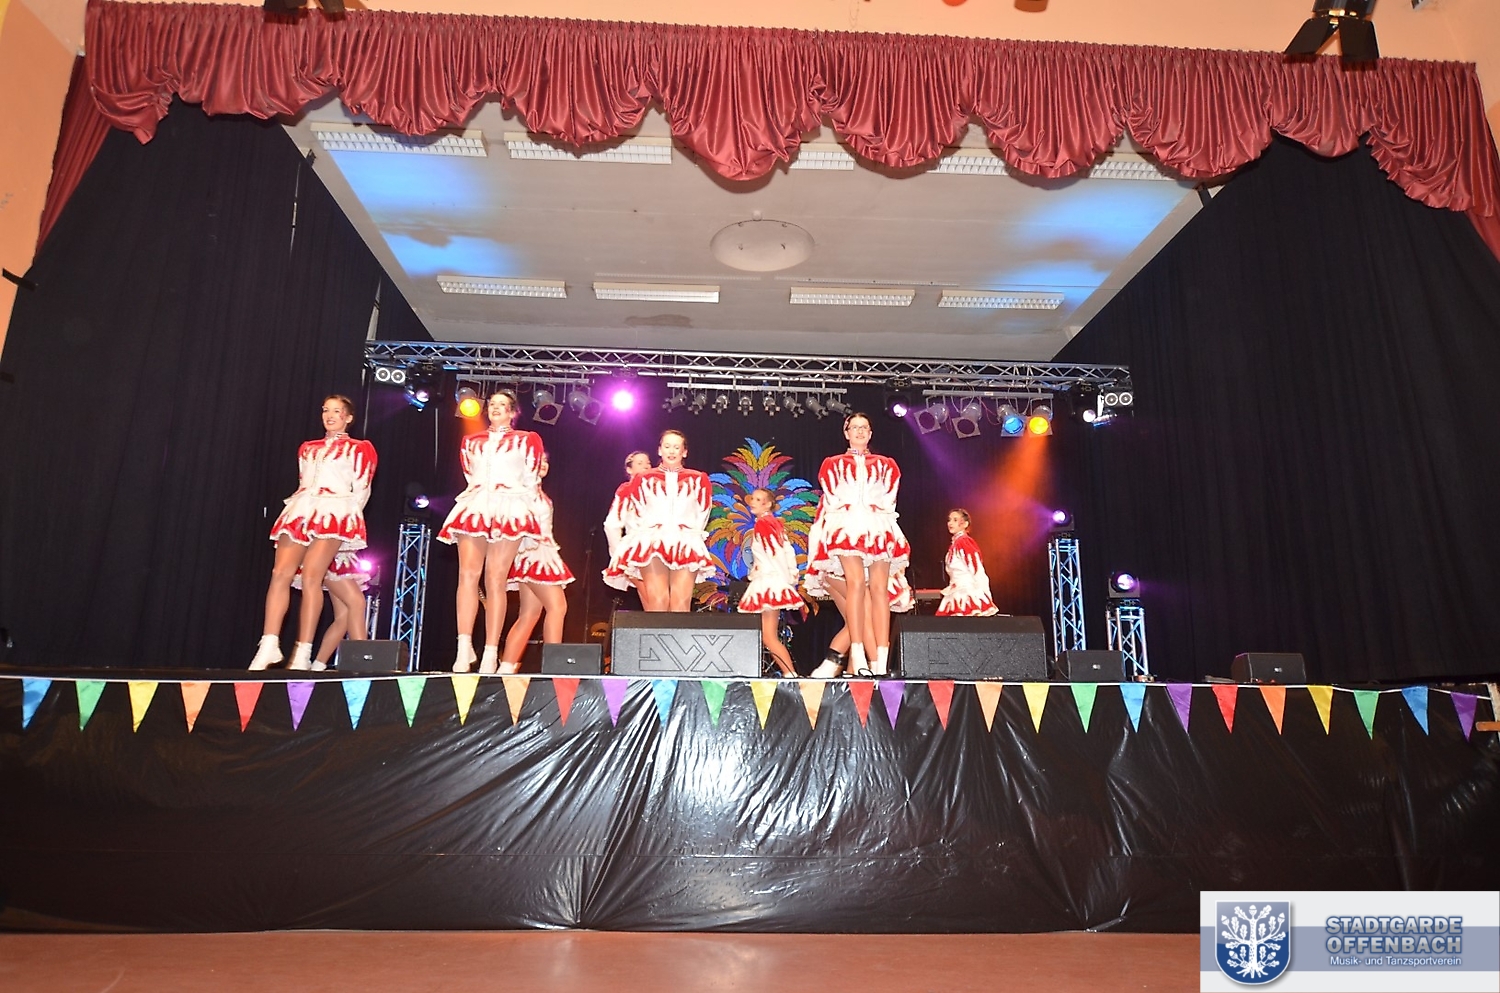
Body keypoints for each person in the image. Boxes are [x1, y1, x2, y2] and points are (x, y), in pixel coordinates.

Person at [249, 395, 377, 670]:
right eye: (326, 410)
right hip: (302, 508)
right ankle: (269, 644)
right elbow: (303, 481)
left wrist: (346, 525)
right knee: (280, 573)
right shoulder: (308, 448)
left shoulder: (360, 449)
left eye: (337, 411)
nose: (329, 415)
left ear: (348, 417)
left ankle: (303, 652)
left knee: (312, 578)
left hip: (335, 511)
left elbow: (362, 490)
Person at [437, 390, 544, 674]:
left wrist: (531, 520)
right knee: (467, 575)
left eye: (502, 405)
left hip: (510, 507)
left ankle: (490, 651)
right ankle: (463, 647)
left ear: (512, 412)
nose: (496, 408)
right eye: (492, 404)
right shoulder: (471, 441)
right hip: (476, 505)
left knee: (495, 579)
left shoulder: (526, 439)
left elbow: (532, 479)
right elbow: (469, 474)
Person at [805, 412, 909, 677]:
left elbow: (890, 498)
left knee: (879, 590)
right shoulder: (833, 464)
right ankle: (859, 653)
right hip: (848, 526)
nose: (860, 431)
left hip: (878, 526)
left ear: (871, 433)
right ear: (846, 432)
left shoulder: (886, 464)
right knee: (856, 585)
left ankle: (881, 661)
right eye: (855, 427)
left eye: (865, 427)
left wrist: (883, 518)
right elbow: (831, 501)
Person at [614, 430, 714, 611]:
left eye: (676, 447)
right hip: (652, 541)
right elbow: (638, 511)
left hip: (685, 542)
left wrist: (690, 534)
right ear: (660, 450)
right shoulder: (643, 479)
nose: (671, 451)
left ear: (684, 452)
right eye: (667, 446)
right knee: (658, 601)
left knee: (680, 604)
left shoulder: (698, 479)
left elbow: (702, 512)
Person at [499, 452, 574, 674]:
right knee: (558, 607)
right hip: (532, 553)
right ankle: (553, 668)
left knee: (529, 614)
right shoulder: (522, 491)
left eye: (546, 461)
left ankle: (506, 668)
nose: (543, 464)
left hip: (540, 552)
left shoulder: (538, 493)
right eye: (538, 461)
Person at [737, 488, 800, 677]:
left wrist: (785, 581)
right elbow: (787, 551)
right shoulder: (770, 523)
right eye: (753, 498)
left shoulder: (765, 524)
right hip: (770, 579)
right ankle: (790, 674)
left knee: (769, 636)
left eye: (758, 499)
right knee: (768, 635)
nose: (752, 502)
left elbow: (776, 554)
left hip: (770, 582)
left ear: (768, 504)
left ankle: (791, 675)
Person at [292, 552, 372, 670]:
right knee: (357, 602)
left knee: (344, 617)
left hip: (338, 558)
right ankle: (362, 660)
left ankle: (318, 666)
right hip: (329, 558)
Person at [602, 450, 652, 592]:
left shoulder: (657, 489)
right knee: (652, 596)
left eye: (648, 463)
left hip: (658, 547)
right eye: (640, 463)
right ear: (629, 469)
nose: (646, 466)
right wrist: (618, 554)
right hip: (637, 549)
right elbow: (612, 524)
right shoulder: (627, 490)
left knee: (655, 599)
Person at [937, 508, 999, 617]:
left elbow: (976, 569)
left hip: (966, 592)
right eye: (949, 520)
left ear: (965, 524)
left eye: (955, 520)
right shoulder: (955, 544)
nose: (950, 523)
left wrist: (985, 594)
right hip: (956, 591)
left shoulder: (964, 541)